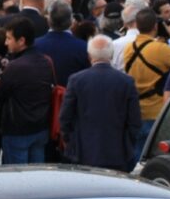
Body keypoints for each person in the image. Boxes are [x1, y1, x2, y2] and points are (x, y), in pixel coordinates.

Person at [59, 35, 141, 171]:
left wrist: (70, 141)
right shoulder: (126, 81)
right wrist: (128, 143)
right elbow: (135, 120)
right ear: (112, 54)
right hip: (117, 151)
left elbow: (65, 116)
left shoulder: (76, 80)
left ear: (89, 56)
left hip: (83, 151)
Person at [122, 8, 170, 166]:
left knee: (137, 157)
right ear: (155, 26)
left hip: (136, 110)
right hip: (156, 111)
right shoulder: (160, 49)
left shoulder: (129, 48)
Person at [0, 17, 55, 164]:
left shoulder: (15, 66)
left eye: (9, 38)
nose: (6, 42)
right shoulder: (46, 61)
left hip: (17, 130)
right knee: (36, 179)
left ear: (21, 41)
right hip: (40, 128)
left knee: (17, 181)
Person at [34, 1, 90, 87]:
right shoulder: (83, 47)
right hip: (73, 97)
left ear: (49, 21)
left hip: (42, 97)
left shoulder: (35, 46)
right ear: (71, 21)